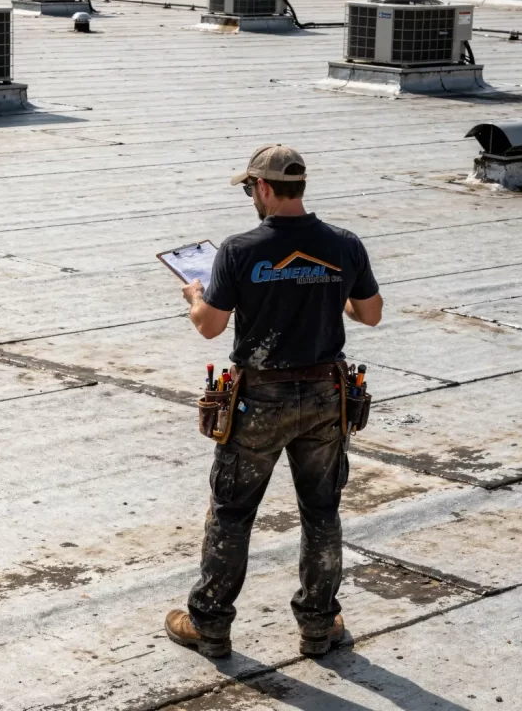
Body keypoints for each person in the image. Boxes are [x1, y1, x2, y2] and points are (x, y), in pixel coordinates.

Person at [164, 144, 384, 660]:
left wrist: (195, 297)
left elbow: (210, 326)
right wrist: (327, 291)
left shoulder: (239, 250)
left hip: (259, 399)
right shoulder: (344, 244)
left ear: (263, 187)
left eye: (250, 189)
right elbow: (370, 314)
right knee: (321, 511)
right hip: (327, 395)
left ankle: (210, 626)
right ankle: (318, 625)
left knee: (232, 513)